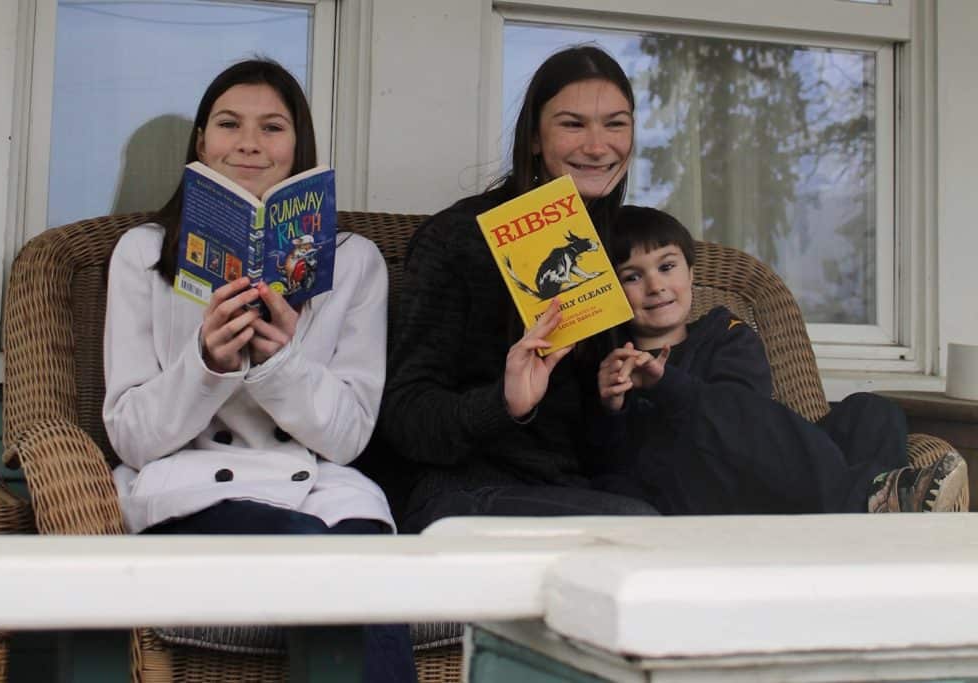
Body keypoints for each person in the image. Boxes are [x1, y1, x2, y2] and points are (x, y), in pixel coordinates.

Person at [102, 59, 416, 681]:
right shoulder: (140, 253)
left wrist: (283, 362)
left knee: (378, 576)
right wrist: (208, 363)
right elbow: (131, 437)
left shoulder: (354, 263)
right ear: (201, 142)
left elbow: (348, 436)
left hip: (326, 493)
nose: (249, 142)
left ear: (299, 146)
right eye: (229, 124)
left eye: (272, 127)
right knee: (309, 552)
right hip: (193, 492)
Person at [380, 45, 658, 533]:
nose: (598, 146)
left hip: (575, 492)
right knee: (640, 529)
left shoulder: (625, 250)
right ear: (534, 137)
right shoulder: (459, 238)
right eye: (573, 124)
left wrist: (615, 400)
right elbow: (405, 417)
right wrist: (504, 404)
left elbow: (605, 452)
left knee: (689, 524)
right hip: (460, 492)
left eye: (615, 124)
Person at [585, 205, 967, 515]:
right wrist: (613, 407)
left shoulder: (726, 334)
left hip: (759, 468)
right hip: (709, 495)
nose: (656, 286)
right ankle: (869, 503)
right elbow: (619, 466)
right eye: (632, 277)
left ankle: (870, 504)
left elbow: (742, 420)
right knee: (677, 445)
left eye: (667, 267)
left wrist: (668, 384)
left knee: (871, 411)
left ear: (691, 272)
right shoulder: (612, 363)